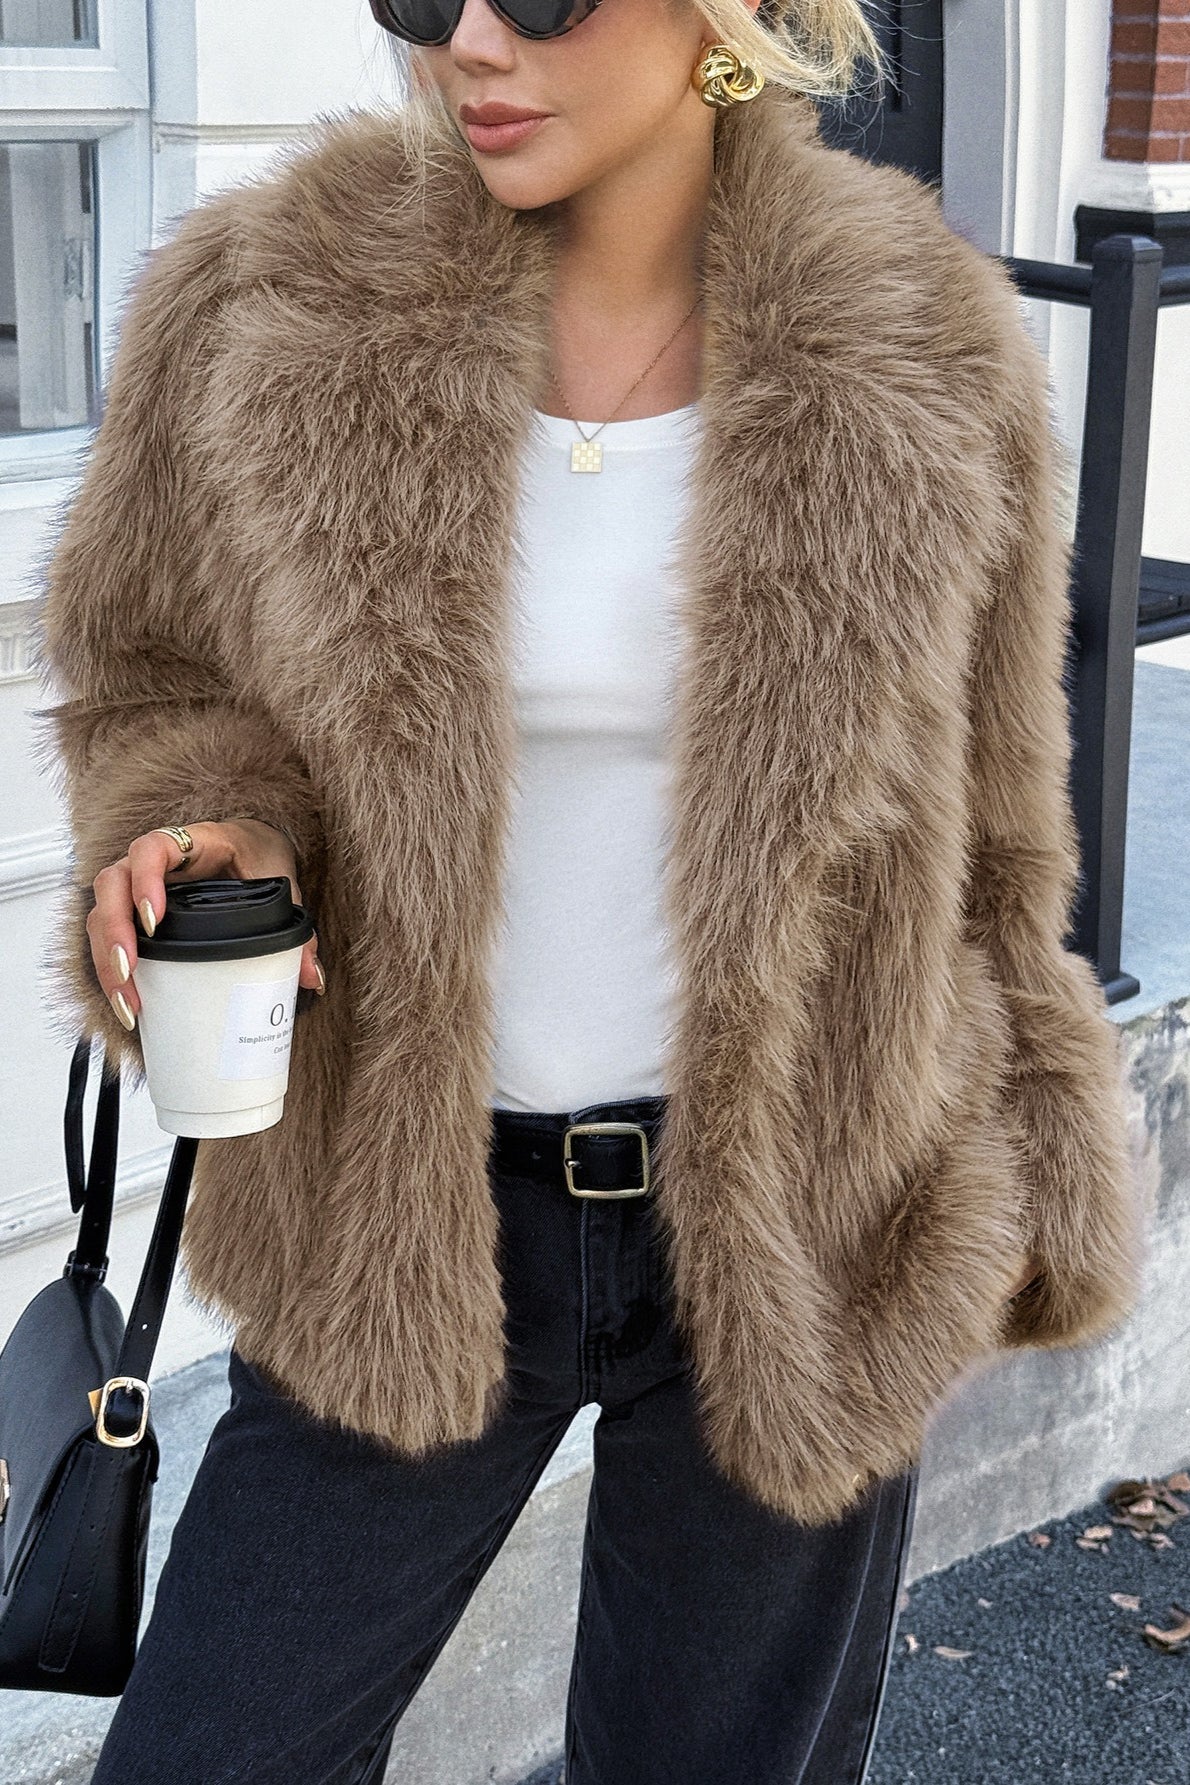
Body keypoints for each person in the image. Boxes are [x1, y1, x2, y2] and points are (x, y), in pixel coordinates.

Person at [31, 0, 1143, 1778]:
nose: (471, 44)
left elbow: (1001, 833)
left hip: (798, 1216)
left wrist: (1030, 1165)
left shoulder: (924, 339)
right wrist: (212, 827)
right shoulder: (265, 301)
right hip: (398, 1207)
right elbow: (150, 680)